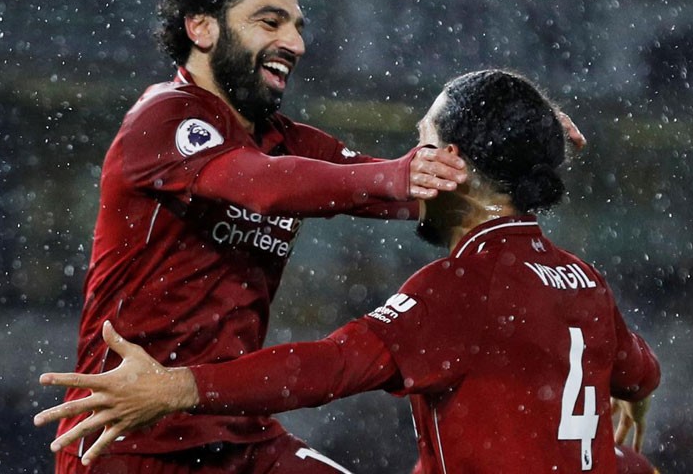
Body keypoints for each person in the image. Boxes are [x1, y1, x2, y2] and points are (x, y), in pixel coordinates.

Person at [36, 69, 657, 473]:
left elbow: (326, 367)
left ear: (453, 162)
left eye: (421, 144)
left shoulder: (461, 288)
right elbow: (641, 372)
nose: (409, 162)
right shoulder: (584, 282)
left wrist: (178, 387)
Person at [49, 0, 475, 474]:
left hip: (235, 432)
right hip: (129, 435)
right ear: (201, 28)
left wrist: (512, 135)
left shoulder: (287, 140)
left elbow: (414, 192)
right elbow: (262, 185)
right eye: (270, 23)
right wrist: (397, 174)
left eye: (297, 27)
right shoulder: (163, 118)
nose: (294, 44)